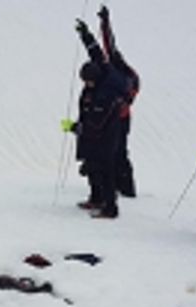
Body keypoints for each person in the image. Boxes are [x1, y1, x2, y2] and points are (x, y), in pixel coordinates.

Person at [61, 19, 127, 219]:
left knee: (104, 169)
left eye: (87, 81)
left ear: (95, 79)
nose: (86, 84)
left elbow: (95, 126)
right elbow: (96, 52)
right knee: (91, 166)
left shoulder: (104, 95)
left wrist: (74, 127)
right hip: (93, 136)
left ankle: (110, 208)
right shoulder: (101, 72)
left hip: (106, 136)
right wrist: (85, 34)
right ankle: (96, 198)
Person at [98, 6, 140, 198]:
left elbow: (130, 97)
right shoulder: (115, 70)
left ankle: (127, 188)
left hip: (121, 119)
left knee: (119, 152)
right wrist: (104, 22)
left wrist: (121, 103)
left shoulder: (129, 77)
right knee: (111, 151)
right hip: (112, 117)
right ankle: (115, 184)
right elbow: (109, 44)